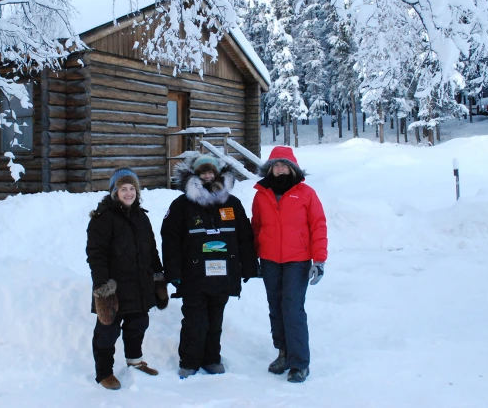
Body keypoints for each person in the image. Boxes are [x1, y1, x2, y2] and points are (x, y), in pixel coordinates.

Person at [161, 153, 259, 378]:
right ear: (194, 175)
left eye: (211, 171)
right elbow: (170, 240)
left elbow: (244, 237)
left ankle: (211, 359)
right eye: (203, 171)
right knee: (195, 321)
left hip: (224, 273)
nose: (207, 174)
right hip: (193, 274)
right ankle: (189, 361)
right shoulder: (181, 205)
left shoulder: (232, 204)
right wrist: (173, 272)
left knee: (215, 320)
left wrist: (250, 267)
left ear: (218, 174)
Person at [86, 167, 169, 390]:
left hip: (140, 284)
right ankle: (104, 372)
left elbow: (152, 250)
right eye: (124, 189)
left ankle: (135, 361)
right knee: (107, 331)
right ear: (115, 191)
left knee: (138, 324)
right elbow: (96, 255)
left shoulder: (142, 217)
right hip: (115, 287)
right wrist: (103, 289)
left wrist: (158, 277)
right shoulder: (103, 218)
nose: (129, 193)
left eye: (132, 188)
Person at [251, 146, 327, 384]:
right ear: (270, 168)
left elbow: (318, 225)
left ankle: (299, 363)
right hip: (270, 259)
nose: (280, 169)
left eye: (284, 165)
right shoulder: (261, 194)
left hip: (298, 260)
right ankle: (283, 353)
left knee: (292, 309)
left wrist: (320, 260)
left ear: (292, 168)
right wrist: (251, 256)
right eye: (276, 165)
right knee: (275, 307)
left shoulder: (306, 193)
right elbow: (256, 226)